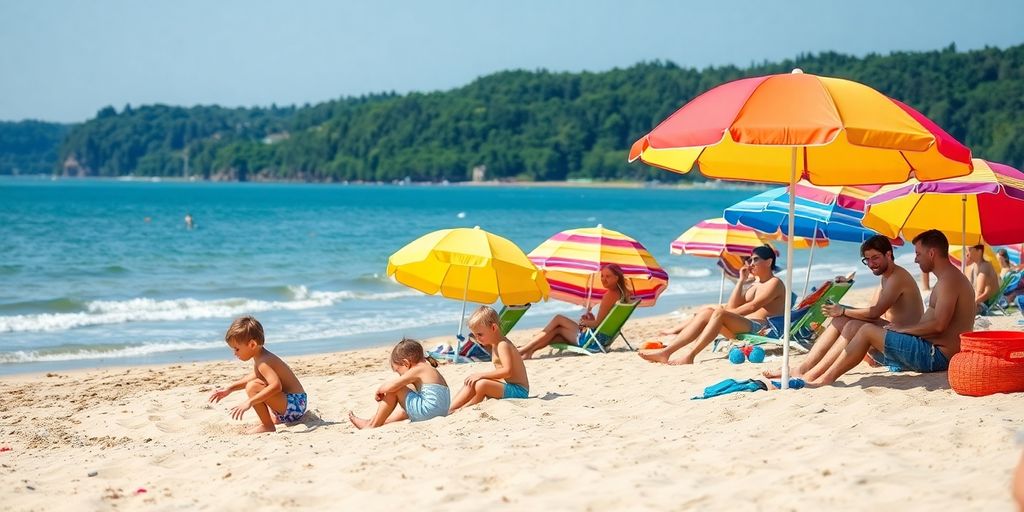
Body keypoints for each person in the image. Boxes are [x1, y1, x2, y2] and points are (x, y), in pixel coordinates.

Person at [802, 230, 974, 387]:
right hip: (928, 347)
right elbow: (874, 310)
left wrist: (903, 329)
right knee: (855, 326)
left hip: (936, 356)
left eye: (918, 254)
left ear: (931, 254)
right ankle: (812, 373)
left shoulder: (949, 281)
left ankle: (824, 379)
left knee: (866, 331)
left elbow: (939, 326)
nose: (915, 259)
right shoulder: (948, 279)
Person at [763, 235, 923, 380]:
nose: (871, 264)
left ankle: (815, 374)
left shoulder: (897, 278)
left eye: (875, 258)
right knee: (840, 320)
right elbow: (871, 309)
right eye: (867, 260)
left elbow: (874, 313)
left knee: (849, 321)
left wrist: (843, 310)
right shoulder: (887, 276)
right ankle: (802, 369)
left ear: (888, 254)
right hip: (891, 335)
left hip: (906, 342)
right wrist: (841, 287)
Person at [640, 245, 786, 365]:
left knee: (718, 312)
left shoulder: (774, 283)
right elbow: (731, 307)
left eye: (756, 260)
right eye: (749, 260)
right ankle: (666, 352)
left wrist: (720, 313)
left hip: (761, 327)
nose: (751, 263)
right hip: (745, 324)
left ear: (768, 262)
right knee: (707, 311)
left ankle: (690, 355)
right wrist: (741, 281)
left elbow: (752, 307)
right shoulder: (754, 284)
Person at [208, 316, 307, 433]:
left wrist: (249, 402)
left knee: (253, 386)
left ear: (252, 344)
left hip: (295, 405)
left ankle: (267, 426)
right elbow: (255, 375)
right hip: (294, 405)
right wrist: (230, 388)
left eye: (237, 349)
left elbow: (276, 386)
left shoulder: (264, 361)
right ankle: (274, 419)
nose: (234, 353)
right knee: (255, 383)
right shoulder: (260, 357)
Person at [518, 264, 631, 359]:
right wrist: (590, 319)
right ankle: (529, 351)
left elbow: (597, 324)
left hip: (592, 341)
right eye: (602, 276)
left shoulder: (610, 295)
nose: (603, 279)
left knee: (558, 319)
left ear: (617, 278)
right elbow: (604, 321)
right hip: (602, 339)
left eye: (608, 276)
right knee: (555, 332)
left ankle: (523, 349)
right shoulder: (623, 294)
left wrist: (583, 323)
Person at [348, 338, 449, 429]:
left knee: (395, 389)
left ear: (406, 363)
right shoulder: (427, 368)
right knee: (406, 390)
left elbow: (392, 385)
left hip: (428, 412)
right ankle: (373, 420)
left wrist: (379, 390)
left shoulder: (418, 369)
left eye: (398, 371)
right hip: (440, 412)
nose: (400, 375)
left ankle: (372, 424)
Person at [450, 306, 530, 412]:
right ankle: (450, 408)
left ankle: (463, 408)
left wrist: (481, 375)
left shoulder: (502, 345)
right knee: (472, 381)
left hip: (519, 391)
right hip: (511, 387)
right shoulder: (495, 344)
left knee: (481, 383)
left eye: (480, 334)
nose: (477, 339)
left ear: (493, 328)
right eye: (474, 335)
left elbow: (508, 371)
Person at [965, 244, 1000, 312]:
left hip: (985, 303)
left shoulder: (984, 267)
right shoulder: (975, 266)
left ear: (979, 251)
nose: (967, 254)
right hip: (981, 301)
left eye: (969, 250)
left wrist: (969, 304)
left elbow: (981, 293)